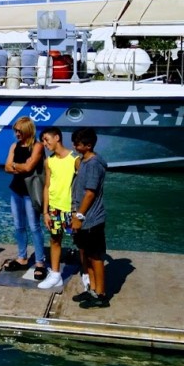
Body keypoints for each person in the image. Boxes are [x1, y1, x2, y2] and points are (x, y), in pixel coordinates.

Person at [3, 116, 48, 279]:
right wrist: (18, 167)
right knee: (18, 226)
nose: (16, 134)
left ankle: (40, 262)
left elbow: (29, 167)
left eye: (19, 131)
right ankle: (22, 258)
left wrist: (15, 166)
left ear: (27, 130)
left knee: (34, 226)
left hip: (31, 192)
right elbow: (6, 167)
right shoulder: (14, 146)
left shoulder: (38, 146)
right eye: (15, 131)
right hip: (16, 190)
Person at [70, 127, 109, 308]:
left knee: (96, 256)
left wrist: (79, 215)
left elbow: (90, 193)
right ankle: (92, 289)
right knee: (86, 254)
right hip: (84, 219)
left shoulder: (93, 164)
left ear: (88, 145)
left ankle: (101, 294)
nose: (74, 146)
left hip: (91, 219)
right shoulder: (84, 161)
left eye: (77, 144)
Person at [37, 127, 79, 289]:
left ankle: (87, 274)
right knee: (55, 240)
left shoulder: (75, 159)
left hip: (71, 208)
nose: (45, 144)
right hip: (54, 208)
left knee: (80, 242)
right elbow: (47, 186)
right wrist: (45, 211)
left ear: (57, 138)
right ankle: (55, 275)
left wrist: (79, 211)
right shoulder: (49, 161)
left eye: (47, 140)